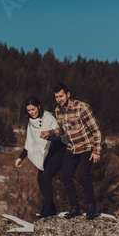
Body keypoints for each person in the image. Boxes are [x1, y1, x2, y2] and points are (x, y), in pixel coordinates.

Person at [40, 84, 102, 220]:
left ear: (68, 94)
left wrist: (96, 151)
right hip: (72, 147)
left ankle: (91, 206)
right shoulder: (58, 111)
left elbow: (95, 130)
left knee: (82, 176)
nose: (59, 99)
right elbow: (62, 130)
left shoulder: (82, 107)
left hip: (87, 147)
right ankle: (75, 207)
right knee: (66, 176)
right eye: (56, 97)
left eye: (61, 96)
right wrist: (49, 133)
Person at [15, 96, 67, 219]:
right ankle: (52, 208)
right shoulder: (31, 123)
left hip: (59, 150)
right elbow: (30, 143)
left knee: (46, 177)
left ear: (39, 106)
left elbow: (59, 135)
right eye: (29, 110)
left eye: (33, 109)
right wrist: (21, 158)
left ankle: (46, 208)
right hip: (46, 154)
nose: (31, 112)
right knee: (40, 179)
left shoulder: (48, 118)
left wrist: (48, 136)